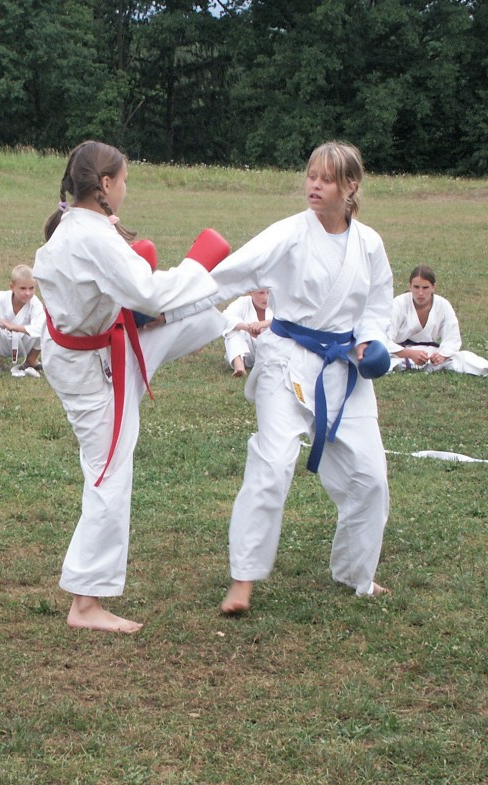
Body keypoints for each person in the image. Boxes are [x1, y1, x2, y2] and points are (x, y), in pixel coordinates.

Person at [167, 141, 393, 613]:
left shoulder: (369, 243)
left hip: (343, 367)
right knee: (271, 465)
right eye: (311, 176)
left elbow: (375, 305)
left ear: (350, 187)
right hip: (285, 360)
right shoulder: (289, 234)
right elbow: (230, 274)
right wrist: (164, 303)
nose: (315, 185)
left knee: (371, 477)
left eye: (327, 179)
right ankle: (243, 580)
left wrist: (371, 342)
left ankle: (356, 572)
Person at [32, 140, 229, 634]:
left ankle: (229, 312)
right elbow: (147, 293)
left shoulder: (82, 226)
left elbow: (133, 295)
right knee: (109, 473)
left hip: (95, 348)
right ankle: (85, 604)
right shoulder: (91, 237)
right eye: (123, 180)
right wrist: (198, 265)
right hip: (88, 364)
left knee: (200, 313)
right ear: (105, 184)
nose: (126, 188)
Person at [387, 266, 488, 376]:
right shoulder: (399, 303)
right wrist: (410, 354)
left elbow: (452, 338)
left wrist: (442, 355)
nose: (420, 293)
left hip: (428, 353)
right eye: (416, 287)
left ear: (433, 287)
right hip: (399, 353)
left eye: (425, 287)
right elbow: (385, 340)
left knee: (462, 358)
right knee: (385, 361)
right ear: (410, 286)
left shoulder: (442, 305)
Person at [223, 289, 273, 376]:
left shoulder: (277, 304)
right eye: (261, 293)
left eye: (268, 293)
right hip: (246, 353)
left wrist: (265, 323)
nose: (266, 298)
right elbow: (225, 318)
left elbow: (288, 320)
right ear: (251, 291)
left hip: (270, 353)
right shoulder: (243, 303)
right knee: (233, 329)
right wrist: (247, 328)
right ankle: (239, 367)